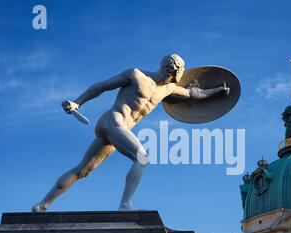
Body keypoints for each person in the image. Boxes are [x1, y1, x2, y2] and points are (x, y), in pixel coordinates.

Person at [32, 54, 230, 212]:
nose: (176, 76)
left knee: (83, 170)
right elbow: (101, 86)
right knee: (142, 158)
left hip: (117, 130)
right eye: (176, 71)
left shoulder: (168, 89)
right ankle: (125, 205)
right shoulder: (136, 75)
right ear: (171, 70)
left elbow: (192, 94)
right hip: (113, 121)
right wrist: (78, 102)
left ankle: (42, 205)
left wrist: (218, 90)